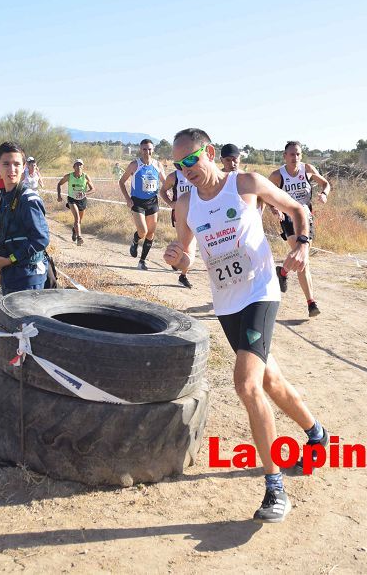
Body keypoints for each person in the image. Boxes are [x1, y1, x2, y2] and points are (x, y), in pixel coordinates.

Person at [164, 128, 329, 524]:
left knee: (246, 383)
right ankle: (317, 434)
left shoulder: (245, 184)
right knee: (269, 380)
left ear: (207, 152)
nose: (186, 170)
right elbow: (186, 256)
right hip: (226, 302)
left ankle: (275, 489)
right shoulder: (186, 205)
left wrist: (302, 245)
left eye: (191, 160)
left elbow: (297, 210)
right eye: (178, 164)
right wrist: (177, 259)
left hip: (260, 291)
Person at [0, 142, 50, 294]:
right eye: (6, 164)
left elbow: (40, 239)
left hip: (30, 276)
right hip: (9, 274)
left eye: (17, 164)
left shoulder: (28, 200)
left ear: (24, 167)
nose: (12, 169)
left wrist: (10, 259)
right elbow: (5, 236)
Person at [268, 141, 331, 318]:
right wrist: (274, 208)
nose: (294, 158)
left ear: (301, 156)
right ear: (284, 156)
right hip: (288, 218)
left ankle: (282, 272)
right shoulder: (277, 175)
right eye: (291, 154)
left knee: (303, 257)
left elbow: (326, 184)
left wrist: (324, 194)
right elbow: (265, 195)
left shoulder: (308, 169)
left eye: (297, 154)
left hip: (306, 218)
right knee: (303, 259)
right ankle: (311, 303)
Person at [119, 139, 166, 271]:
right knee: (143, 231)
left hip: (152, 201)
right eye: (144, 149)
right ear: (141, 150)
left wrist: (171, 192)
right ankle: (135, 241)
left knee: (151, 233)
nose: (147, 152)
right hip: (137, 201)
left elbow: (165, 182)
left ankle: (142, 261)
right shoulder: (134, 165)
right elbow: (121, 182)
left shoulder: (158, 165)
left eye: (149, 149)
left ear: (153, 149)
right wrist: (128, 199)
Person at [159, 162, 194, 289]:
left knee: (189, 245)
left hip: (198, 213)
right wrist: (171, 204)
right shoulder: (173, 176)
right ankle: (182, 272)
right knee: (186, 245)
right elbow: (162, 191)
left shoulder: (197, 174)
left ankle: (178, 263)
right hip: (180, 215)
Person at [57, 159, 94, 245]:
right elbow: (59, 184)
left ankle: (74, 230)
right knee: (77, 218)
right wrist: (59, 196)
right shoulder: (69, 176)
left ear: (83, 167)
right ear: (74, 167)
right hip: (72, 199)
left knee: (79, 220)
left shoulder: (86, 177)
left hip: (82, 200)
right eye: (77, 165)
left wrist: (85, 193)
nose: (79, 166)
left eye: (80, 165)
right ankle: (79, 238)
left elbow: (93, 189)